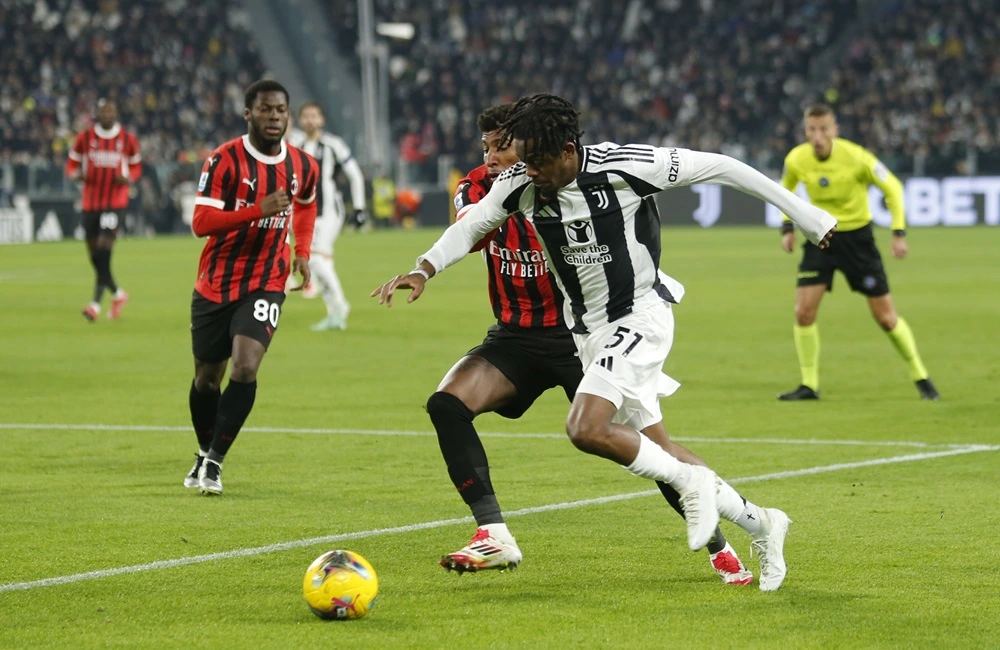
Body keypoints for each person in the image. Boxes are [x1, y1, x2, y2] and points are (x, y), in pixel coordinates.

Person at [374, 94, 837, 591]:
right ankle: (762, 523)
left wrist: (808, 218)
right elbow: (470, 227)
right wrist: (422, 268)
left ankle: (706, 515)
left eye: (536, 161)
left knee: (590, 429)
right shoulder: (519, 184)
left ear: (569, 150)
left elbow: (722, 166)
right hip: (577, 332)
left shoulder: (627, 166)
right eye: (520, 159)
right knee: (648, 448)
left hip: (640, 316)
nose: (527, 171)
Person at [426, 103, 752, 585]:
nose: (493, 156)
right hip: (514, 335)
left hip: (580, 336)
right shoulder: (482, 189)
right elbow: (471, 230)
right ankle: (493, 533)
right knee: (447, 404)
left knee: (649, 448)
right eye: (487, 147)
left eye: (503, 146)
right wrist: (426, 263)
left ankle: (721, 549)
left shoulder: (567, 185)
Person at [184, 80, 319, 495]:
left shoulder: (302, 165)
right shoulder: (224, 161)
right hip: (217, 282)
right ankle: (205, 451)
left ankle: (216, 464)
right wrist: (256, 211)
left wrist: (302, 250)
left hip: (267, 279)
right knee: (207, 378)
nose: (274, 117)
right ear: (249, 114)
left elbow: (307, 203)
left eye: (280, 110)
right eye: (265, 110)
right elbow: (200, 224)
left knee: (245, 366)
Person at [778, 104, 939, 401]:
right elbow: (783, 190)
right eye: (811, 130)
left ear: (835, 129)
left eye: (823, 129)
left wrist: (898, 232)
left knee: (886, 318)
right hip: (821, 238)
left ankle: (921, 377)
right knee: (803, 312)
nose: (817, 136)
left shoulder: (856, 157)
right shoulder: (797, 158)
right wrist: (786, 228)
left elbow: (892, 187)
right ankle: (808, 385)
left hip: (857, 241)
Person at [287, 102, 367, 330]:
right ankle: (334, 314)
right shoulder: (295, 144)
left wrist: (359, 208)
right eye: (306, 116)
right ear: (301, 121)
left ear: (322, 120)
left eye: (315, 116)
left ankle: (340, 305)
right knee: (322, 261)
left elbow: (355, 175)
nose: (310, 121)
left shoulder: (333, 145)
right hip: (303, 211)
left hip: (329, 211)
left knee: (313, 257)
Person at [65, 98, 141, 321]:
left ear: (116, 114)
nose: (107, 115)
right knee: (95, 256)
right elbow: (71, 163)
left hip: (114, 203)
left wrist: (128, 178)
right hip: (90, 203)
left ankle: (95, 305)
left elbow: (136, 166)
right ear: (97, 114)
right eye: (104, 112)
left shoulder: (127, 139)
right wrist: (75, 175)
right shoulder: (85, 138)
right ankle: (118, 293)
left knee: (104, 250)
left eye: (111, 111)